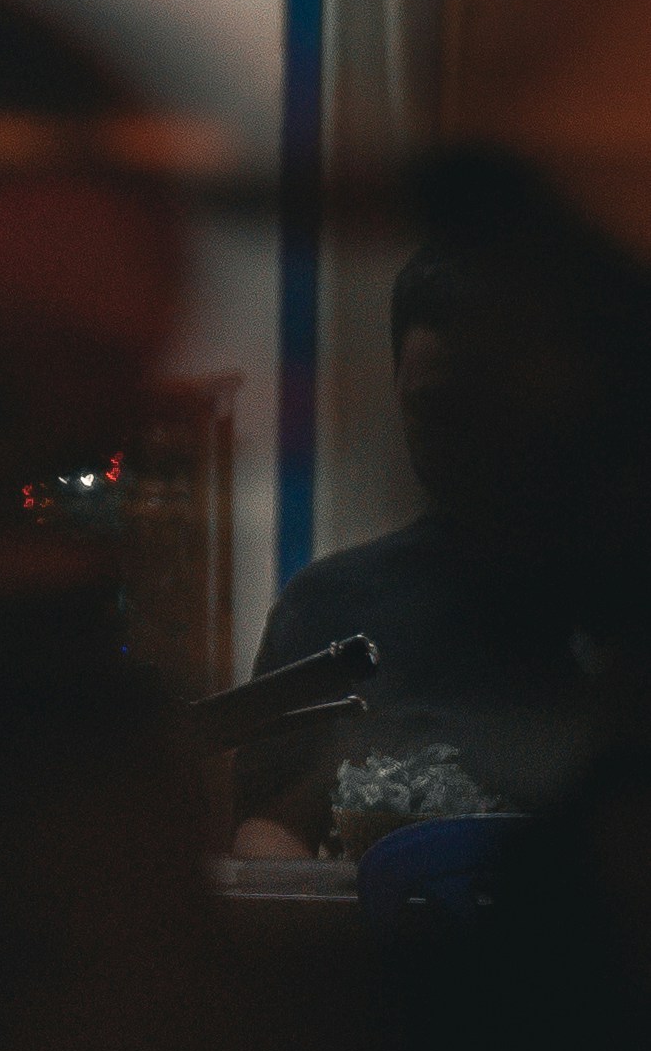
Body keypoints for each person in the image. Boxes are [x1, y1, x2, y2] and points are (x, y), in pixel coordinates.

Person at [232, 233, 644, 849]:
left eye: (496, 412)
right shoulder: (332, 609)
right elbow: (271, 827)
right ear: (398, 391)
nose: (471, 450)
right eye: (437, 413)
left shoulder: (622, 608)